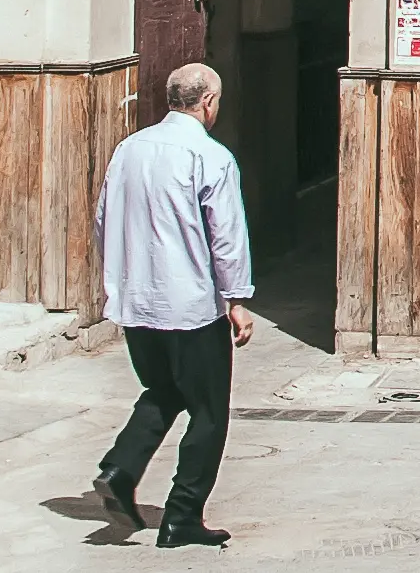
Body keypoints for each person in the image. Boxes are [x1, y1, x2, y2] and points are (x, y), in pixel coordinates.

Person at [92, 63, 254, 549]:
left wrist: (120, 277)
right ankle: (182, 514)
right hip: (189, 305)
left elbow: (104, 219)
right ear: (208, 102)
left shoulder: (129, 149)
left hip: (137, 300)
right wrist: (236, 299)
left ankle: (119, 468)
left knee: (165, 387)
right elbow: (226, 237)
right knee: (208, 410)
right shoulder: (210, 156)